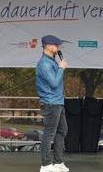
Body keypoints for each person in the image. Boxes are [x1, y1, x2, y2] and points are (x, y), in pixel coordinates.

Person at [36, 35, 69, 172]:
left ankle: (58, 161)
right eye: (56, 45)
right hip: (50, 103)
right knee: (49, 133)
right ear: (48, 46)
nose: (58, 47)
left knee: (62, 130)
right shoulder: (44, 63)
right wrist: (61, 68)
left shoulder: (52, 61)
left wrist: (60, 67)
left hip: (57, 101)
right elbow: (54, 83)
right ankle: (45, 164)